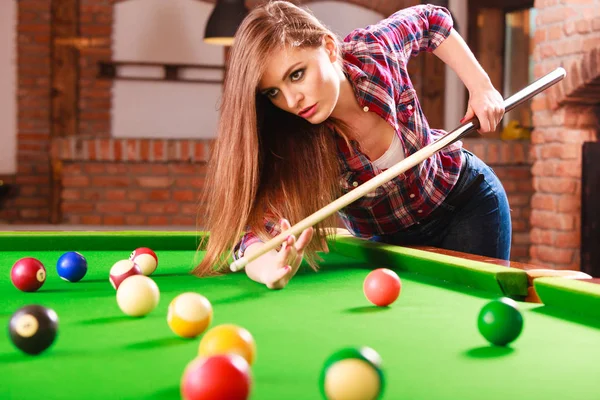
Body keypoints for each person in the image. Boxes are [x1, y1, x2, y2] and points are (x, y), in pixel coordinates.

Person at [193, 1, 511, 290]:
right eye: (272, 93)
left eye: (297, 74)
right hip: (387, 243)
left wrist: (481, 87)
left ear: (330, 48)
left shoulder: (374, 51)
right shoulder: (290, 140)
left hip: (467, 203)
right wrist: (264, 268)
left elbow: (431, 21)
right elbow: (253, 230)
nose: (291, 100)